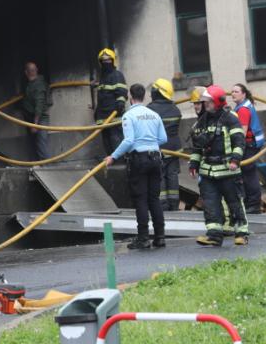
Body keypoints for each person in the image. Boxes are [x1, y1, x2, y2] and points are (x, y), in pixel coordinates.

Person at [101, 84, 167, 250]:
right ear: (144, 96)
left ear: (130, 97)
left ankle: (143, 238)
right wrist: (150, 144)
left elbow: (129, 140)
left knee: (141, 199)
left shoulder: (128, 116)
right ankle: (160, 237)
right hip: (155, 158)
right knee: (154, 199)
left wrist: (113, 157)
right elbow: (163, 139)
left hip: (139, 160)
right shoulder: (154, 115)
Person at [189, 86, 249, 246]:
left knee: (234, 202)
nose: (205, 104)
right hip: (208, 171)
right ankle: (214, 235)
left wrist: (235, 160)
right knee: (210, 204)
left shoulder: (230, 118)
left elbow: (239, 141)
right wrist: (194, 163)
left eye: (207, 101)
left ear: (216, 101)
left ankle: (241, 233)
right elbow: (197, 146)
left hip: (228, 170)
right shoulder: (202, 120)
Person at [147, 78, 182, 211]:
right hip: (174, 148)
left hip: (158, 149)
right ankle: (174, 204)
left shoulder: (149, 110)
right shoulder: (175, 109)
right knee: (172, 175)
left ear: (157, 92)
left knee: (159, 176)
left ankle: (162, 205)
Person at [230, 83, 266, 214]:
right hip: (252, 144)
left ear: (243, 94)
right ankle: (251, 203)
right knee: (247, 174)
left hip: (249, 145)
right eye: (232, 91)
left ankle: (253, 205)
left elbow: (242, 132)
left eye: (236, 91)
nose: (233, 93)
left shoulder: (243, 109)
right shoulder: (242, 106)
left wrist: (237, 147)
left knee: (249, 175)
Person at [91, 48, 128, 157]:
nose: (106, 63)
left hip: (114, 117)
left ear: (113, 61)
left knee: (116, 140)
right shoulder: (103, 77)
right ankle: (112, 162)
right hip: (103, 118)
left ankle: (121, 162)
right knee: (107, 142)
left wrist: (119, 105)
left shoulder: (117, 75)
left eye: (108, 60)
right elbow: (104, 95)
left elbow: (121, 92)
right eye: (103, 61)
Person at [20, 62, 51, 161]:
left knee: (41, 143)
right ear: (26, 72)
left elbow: (39, 105)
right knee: (33, 143)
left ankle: (46, 166)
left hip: (39, 118)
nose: (33, 72)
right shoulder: (30, 84)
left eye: (34, 70)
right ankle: (37, 164)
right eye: (31, 70)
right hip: (30, 117)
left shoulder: (38, 85)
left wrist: (35, 123)